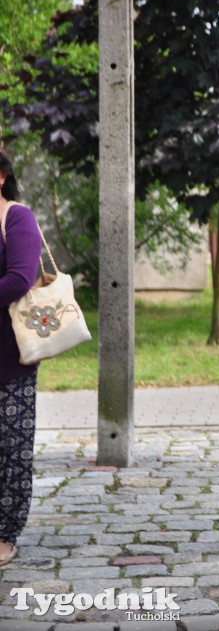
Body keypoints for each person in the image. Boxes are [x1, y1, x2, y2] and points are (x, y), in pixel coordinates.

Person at [0, 147, 42, 568]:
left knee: (11, 451)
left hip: (9, 358)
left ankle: (5, 535)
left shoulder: (16, 218)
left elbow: (19, 278)